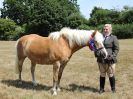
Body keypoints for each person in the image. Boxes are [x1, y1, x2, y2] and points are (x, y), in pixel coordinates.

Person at [95, 24, 119, 94]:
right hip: (101, 59)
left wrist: (112, 56)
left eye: (106, 29)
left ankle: (113, 90)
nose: (105, 30)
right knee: (102, 74)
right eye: (104, 29)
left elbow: (116, 49)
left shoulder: (114, 38)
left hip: (110, 60)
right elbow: (97, 47)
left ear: (110, 30)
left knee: (111, 74)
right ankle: (101, 89)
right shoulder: (100, 37)